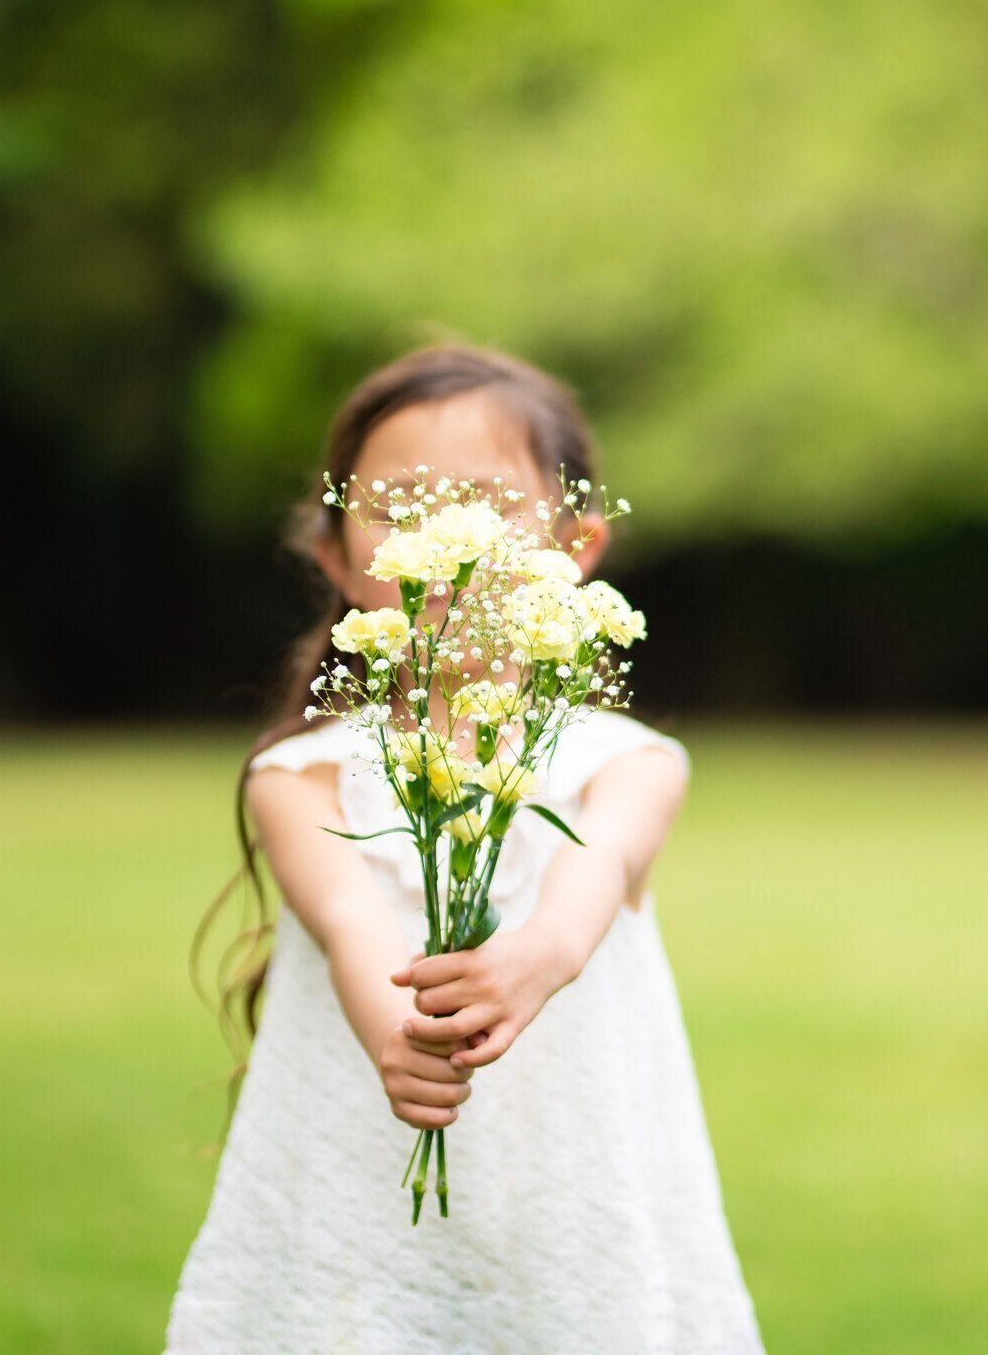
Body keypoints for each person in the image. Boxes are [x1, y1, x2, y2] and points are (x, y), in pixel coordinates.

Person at [165, 344, 766, 1352]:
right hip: (360, 1169)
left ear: (576, 545)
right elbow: (350, 917)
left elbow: (600, 860)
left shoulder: (626, 759)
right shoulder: (302, 774)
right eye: (402, 508)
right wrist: (396, 1035)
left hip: (568, 1181)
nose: (446, 538)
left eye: (486, 504)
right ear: (336, 556)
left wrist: (545, 953)